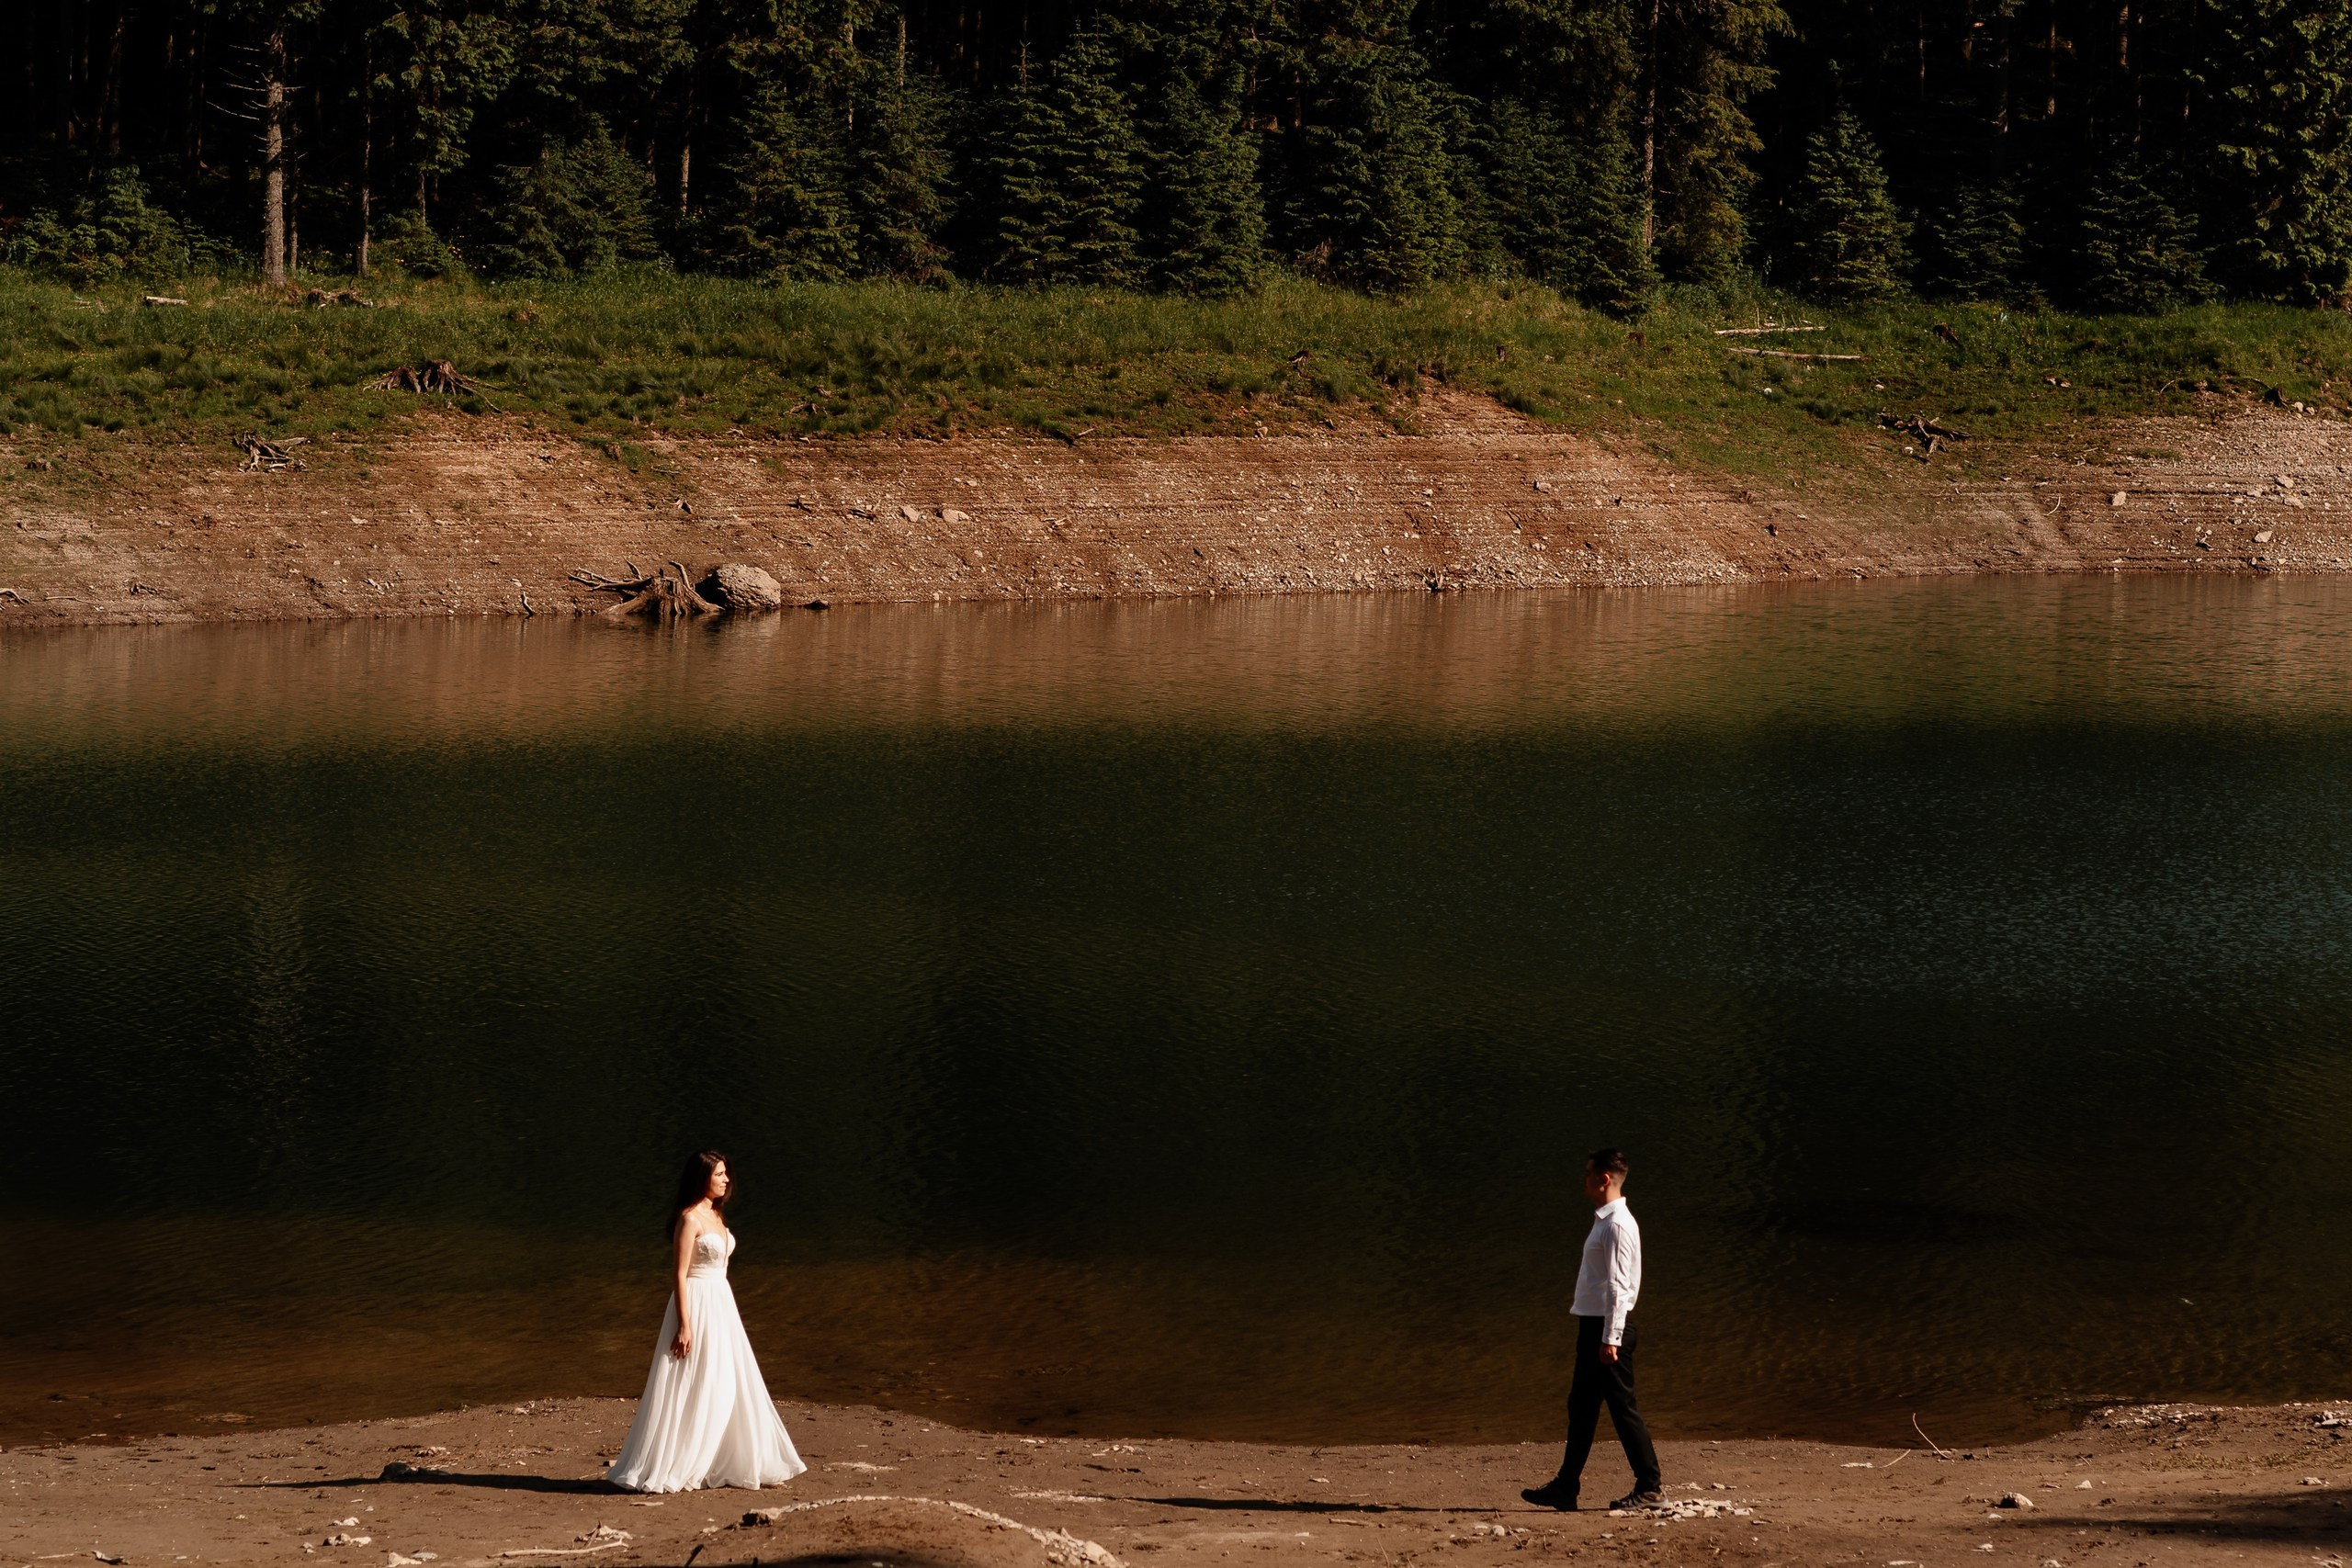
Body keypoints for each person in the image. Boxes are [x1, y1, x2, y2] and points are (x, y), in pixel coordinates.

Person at [607, 1150, 809, 1493]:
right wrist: (684, 1324)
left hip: (721, 1303)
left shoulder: (716, 1214)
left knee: (727, 1379)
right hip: (697, 1302)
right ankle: (679, 1460)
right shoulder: (690, 1219)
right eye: (719, 1174)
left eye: (726, 1174)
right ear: (702, 1177)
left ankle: (725, 1458)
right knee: (694, 1380)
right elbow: (679, 1275)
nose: (726, 1180)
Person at [1521, 1147, 1664, 1511]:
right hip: (1593, 1327)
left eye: (1587, 1174)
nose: (1582, 1179)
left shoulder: (1616, 1224)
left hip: (1607, 1329)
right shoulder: (1605, 1220)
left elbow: (1619, 1285)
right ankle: (1566, 1487)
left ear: (1604, 1179)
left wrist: (1611, 1338)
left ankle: (1651, 1487)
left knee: (1622, 1408)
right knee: (1581, 1407)